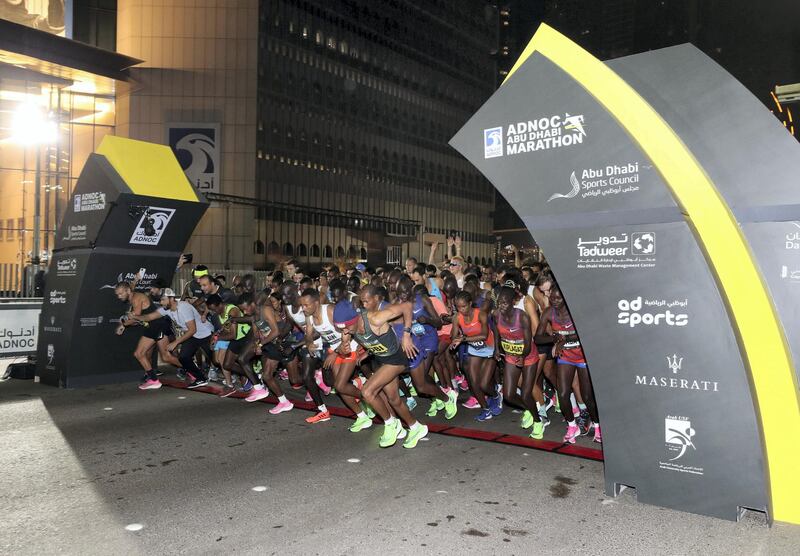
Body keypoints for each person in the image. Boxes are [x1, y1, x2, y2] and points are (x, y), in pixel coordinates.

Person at [350, 284, 430, 448]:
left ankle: (390, 423)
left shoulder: (376, 317)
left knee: (367, 391)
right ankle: (416, 427)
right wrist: (368, 351)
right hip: (382, 359)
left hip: (396, 359)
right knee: (394, 399)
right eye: (361, 302)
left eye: (366, 301)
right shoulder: (349, 327)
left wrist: (407, 335)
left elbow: (407, 306)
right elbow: (375, 340)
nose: (364, 305)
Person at [535, 283, 601, 444]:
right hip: (566, 357)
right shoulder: (549, 313)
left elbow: (590, 334)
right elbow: (537, 338)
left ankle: (598, 426)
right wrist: (554, 338)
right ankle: (572, 426)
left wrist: (565, 339)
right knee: (563, 394)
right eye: (552, 297)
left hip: (582, 357)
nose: (554, 300)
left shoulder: (576, 313)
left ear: (566, 298)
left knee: (587, 396)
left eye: (558, 298)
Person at [300, 288, 366, 428]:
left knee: (340, 385)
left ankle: (370, 397)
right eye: (302, 305)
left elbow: (347, 331)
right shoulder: (310, 316)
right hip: (335, 348)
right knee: (339, 386)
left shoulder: (330, 310)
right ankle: (362, 416)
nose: (303, 308)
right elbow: (308, 335)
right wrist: (309, 343)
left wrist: (335, 353)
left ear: (316, 303)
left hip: (349, 346)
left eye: (306, 305)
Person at [135, 288, 214, 389]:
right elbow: (149, 317)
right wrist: (136, 317)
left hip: (206, 334)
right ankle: (201, 378)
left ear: (171, 298)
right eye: (160, 300)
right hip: (193, 336)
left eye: (163, 299)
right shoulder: (166, 310)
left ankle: (236, 376)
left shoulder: (183, 307)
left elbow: (192, 329)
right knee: (183, 357)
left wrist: (175, 343)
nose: (161, 302)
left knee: (217, 361)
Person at [493, 286, 544, 439]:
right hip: (510, 355)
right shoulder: (496, 314)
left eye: (504, 303)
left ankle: (538, 421)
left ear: (513, 302)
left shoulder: (522, 317)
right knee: (508, 395)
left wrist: (522, 356)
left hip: (528, 356)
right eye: (499, 303)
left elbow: (529, 342)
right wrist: (496, 348)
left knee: (526, 393)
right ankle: (530, 408)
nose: (501, 306)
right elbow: (496, 332)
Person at [114, 281, 180, 390]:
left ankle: (153, 380)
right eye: (117, 294)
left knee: (139, 353)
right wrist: (125, 324)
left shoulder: (136, 298)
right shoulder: (132, 296)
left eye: (121, 294)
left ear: (128, 291)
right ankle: (191, 369)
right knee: (164, 356)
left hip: (156, 326)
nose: (119, 296)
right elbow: (136, 320)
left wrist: (123, 324)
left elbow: (136, 318)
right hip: (157, 325)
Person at [451, 290, 499, 421]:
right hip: (475, 351)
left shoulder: (480, 314)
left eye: (463, 306)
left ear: (470, 303)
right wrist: (454, 341)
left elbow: (484, 335)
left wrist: (463, 339)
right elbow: (454, 336)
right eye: (458, 307)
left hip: (489, 349)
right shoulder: (457, 317)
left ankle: (495, 395)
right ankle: (485, 409)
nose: (461, 310)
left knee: (484, 384)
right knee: (473, 383)